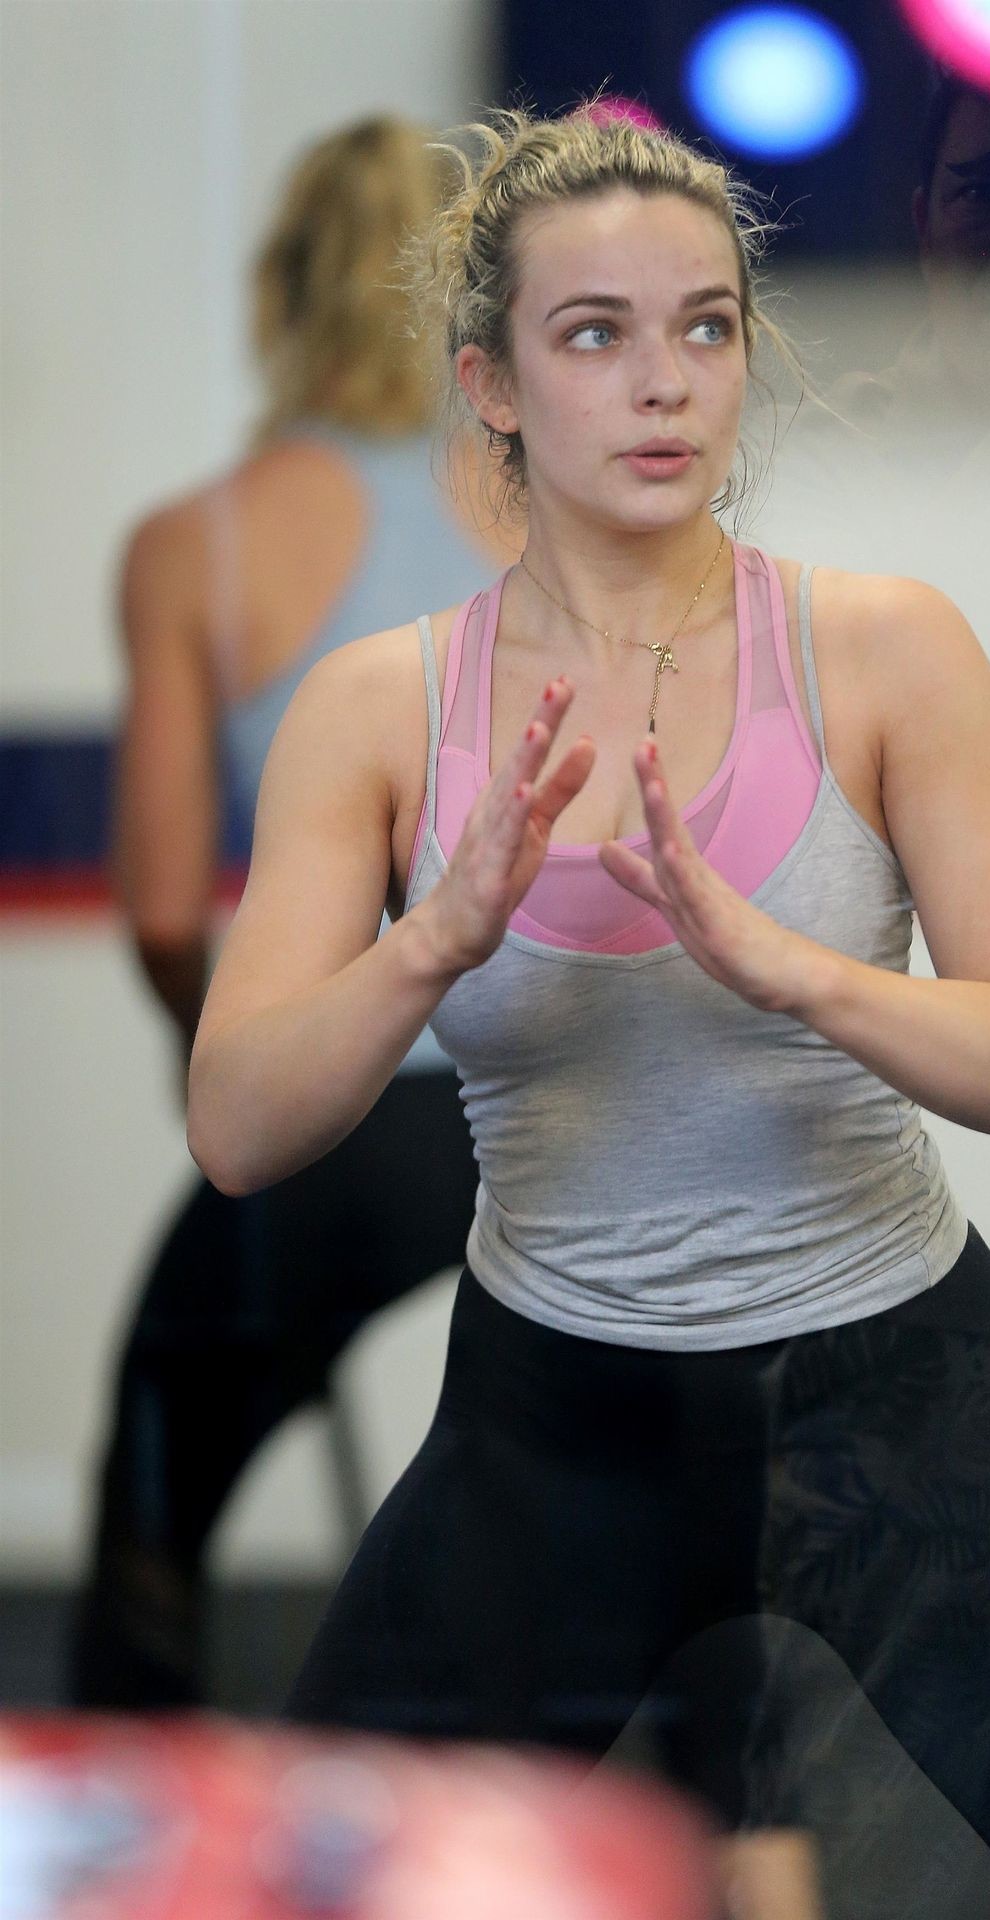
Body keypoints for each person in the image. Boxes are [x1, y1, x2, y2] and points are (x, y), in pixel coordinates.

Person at [187, 107, 990, 1918]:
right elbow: (237, 1128)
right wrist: (431, 941)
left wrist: (799, 971)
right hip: (558, 1409)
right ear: (492, 383)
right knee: (301, 1882)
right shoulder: (379, 712)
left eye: (705, 326)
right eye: (595, 333)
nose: (663, 381)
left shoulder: (884, 650)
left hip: (899, 1393)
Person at [71, 117, 500, 1710]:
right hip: (582, 1091)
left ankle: (132, 1774)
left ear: (281, 290)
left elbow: (162, 910)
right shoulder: (567, 508)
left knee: (156, 1462)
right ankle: (722, 1816)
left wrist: (243, 1061)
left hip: (360, 1112)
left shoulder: (198, 546)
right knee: (661, 1477)